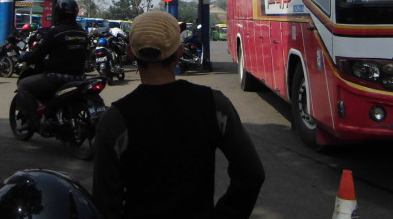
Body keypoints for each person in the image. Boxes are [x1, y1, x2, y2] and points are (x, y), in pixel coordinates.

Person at [92, 11, 265, 219]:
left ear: (130, 52)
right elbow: (252, 174)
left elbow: (105, 203)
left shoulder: (115, 120)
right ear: (179, 52)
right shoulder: (215, 105)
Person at [16, 0, 88, 128]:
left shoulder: (55, 32)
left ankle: (33, 121)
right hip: (80, 78)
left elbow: (39, 54)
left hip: (57, 78)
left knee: (24, 84)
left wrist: (25, 57)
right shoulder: (82, 32)